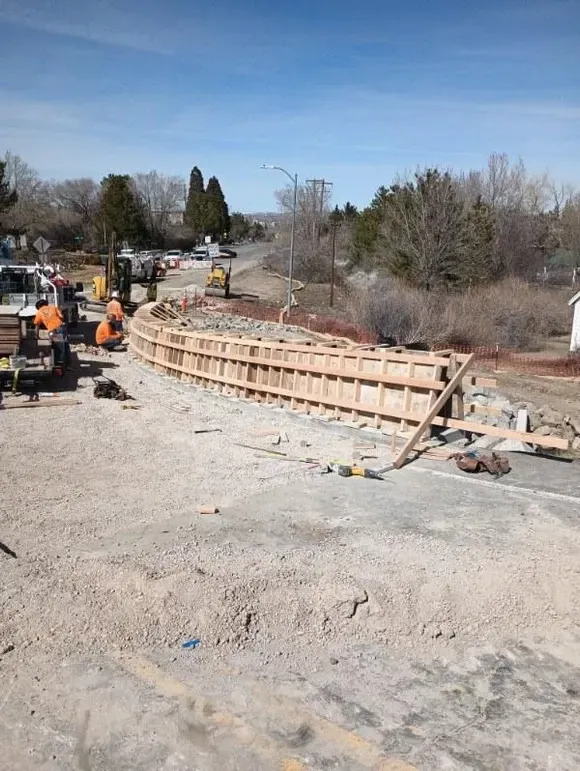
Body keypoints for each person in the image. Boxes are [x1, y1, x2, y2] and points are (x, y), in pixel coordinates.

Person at [33, 299, 68, 366]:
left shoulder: (39, 312)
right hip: (62, 327)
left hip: (53, 330)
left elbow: (37, 326)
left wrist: (36, 336)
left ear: (38, 307)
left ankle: (59, 365)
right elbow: (61, 317)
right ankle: (67, 364)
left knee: (58, 347)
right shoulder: (53, 307)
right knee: (65, 346)